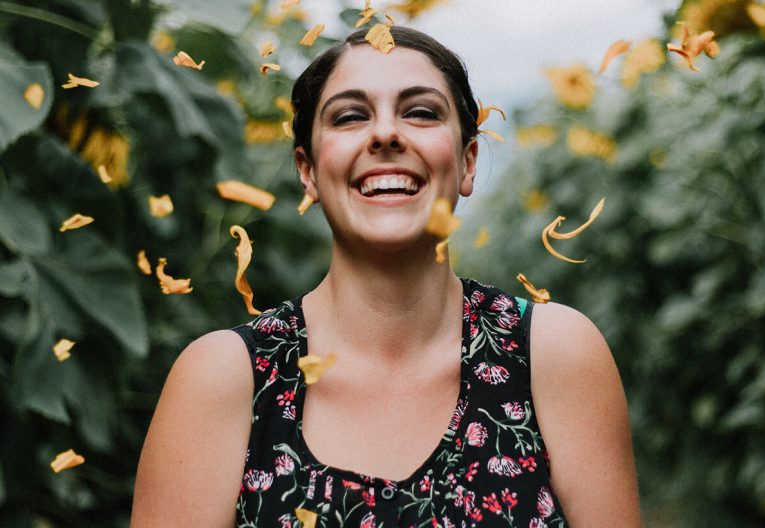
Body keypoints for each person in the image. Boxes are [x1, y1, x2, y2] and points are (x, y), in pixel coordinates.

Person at [131, 26, 641, 527]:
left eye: (420, 112)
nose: (385, 134)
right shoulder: (224, 379)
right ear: (307, 171)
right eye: (350, 117)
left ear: (468, 162)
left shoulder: (553, 355)